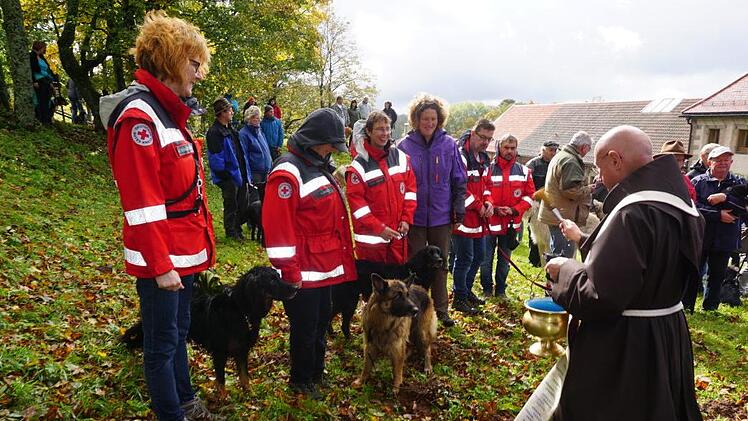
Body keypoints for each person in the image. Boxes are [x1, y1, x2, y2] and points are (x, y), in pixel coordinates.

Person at [99, 11, 222, 420]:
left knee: (178, 334)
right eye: (194, 63)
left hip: (182, 252)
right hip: (163, 259)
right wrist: (160, 265)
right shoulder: (140, 118)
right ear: (171, 60)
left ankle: (185, 401)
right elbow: (143, 203)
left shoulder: (169, 112)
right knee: (161, 342)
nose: (199, 75)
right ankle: (172, 413)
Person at [544, 125, 704, 421]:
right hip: (666, 333)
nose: (599, 179)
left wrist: (564, 270)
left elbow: (599, 296)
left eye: (600, 167)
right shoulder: (682, 205)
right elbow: (646, 262)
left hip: (628, 345)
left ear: (616, 159)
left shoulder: (634, 212)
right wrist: (584, 240)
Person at [262, 108, 356, 399]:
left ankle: (316, 371)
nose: (333, 151)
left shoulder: (317, 164)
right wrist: (289, 272)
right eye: (330, 144)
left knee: (320, 321)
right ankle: (301, 380)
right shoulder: (288, 172)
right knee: (304, 327)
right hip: (302, 271)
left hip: (323, 266)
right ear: (315, 140)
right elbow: (278, 231)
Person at [398, 93, 466, 327]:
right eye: (425, 119)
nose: (429, 123)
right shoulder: (404, 146)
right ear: (416, 120)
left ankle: (441, 309)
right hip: (414, 217)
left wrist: (459, 210)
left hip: (441, 215)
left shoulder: (449, 145)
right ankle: (414, 308)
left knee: (441, 264)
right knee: (414, 266)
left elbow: (459, 179)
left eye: (433, 119)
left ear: (439, 121)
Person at [346, 111, 416, 265]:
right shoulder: (358, 166)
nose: (385, 133)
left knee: (399, 286)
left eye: (387, 128)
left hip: (397, 241)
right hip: (372, 246)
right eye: (379, 129)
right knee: (372, 289)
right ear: (369, 132)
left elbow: (410, 192)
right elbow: (358, 208)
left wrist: (406, 219)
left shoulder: (401, 157)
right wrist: (379, 228)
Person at [690, 146, 746, 311]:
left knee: (717, 276)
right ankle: (687, 306)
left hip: (725, 238)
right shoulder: (698, 182)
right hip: (701, 236)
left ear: (731, 162)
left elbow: (744, 206)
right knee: (694, 274)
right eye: (718, 160)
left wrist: (725, 197)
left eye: (726, 160)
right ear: (709, 162)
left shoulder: (740, 183)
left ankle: (711, 308)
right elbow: (692, 206)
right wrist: (718, 215)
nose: (723, 164)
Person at [480, 134, 535, 299]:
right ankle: (487, 290)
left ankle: (501, 290)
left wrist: (514, 210)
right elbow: (483, 192)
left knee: (505, 261)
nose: (509, 151)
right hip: (489, 222)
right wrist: (494, 208)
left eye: (512, 148)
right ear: (499, 148)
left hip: (511, 224)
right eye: (506, 148)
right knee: (486, 259)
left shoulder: (524, 171)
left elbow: (529, 196)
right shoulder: (487, 169)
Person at [451, 119, 495, 313]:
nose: (485, 142)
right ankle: (459, 297)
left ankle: (466, 290)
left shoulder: (483, 158)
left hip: (479, 218)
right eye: (482, 137)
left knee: (479, 256)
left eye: (489, 139)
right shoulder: (460, 155)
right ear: (473, 133)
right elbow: (459, 188)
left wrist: (488, 202)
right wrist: (478, 205)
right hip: (463, 217)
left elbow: (486, 185)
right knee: (464, 258)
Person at [538, 131, 594, 258]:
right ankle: (557, 278)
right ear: (584, 147)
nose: (587, 152)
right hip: (562, 215)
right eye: (588, 149)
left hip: (556, 212)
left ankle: (553, 278)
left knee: (557, 253)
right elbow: (571, 191)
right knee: (563, 257)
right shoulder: (571, 161)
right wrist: (589, 189)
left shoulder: (561, 155)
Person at [206, 97, 251, 241]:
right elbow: (216, 157)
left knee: (242, 202)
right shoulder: (214, 132)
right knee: (231, 204)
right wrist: (225, 175)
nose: (232, 112)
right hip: (228, 176)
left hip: (240, 173)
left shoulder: (231, 130)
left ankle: (238, 228)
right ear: (222, 113)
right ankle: (231, 231)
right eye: (229, 110)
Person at [525, 140, 559, 266]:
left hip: (550, 204)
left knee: (548, 233)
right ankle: (534, 260)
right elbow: (525, 181)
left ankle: (548, 259)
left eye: (555, 150)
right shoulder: (533, 164)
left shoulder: (556, 164)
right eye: (551, 150)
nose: (553, 153)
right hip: (535, 204)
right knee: (534, 233)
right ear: (543, 150)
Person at [240, 105, 273, 186]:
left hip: (266, 171)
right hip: (255, 173)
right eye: (254, 117)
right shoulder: (243, 134)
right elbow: (244, 156)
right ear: (249, 118)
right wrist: (249, 176)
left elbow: (267, 150)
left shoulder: (260, 132)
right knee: (255, 198)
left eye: (258, 117)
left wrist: (271, 166)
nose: (257, 120)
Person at [30, 41, 58, 124]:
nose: (45, 49)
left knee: (47, 101)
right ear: (40, 47)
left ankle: (46, 120)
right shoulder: (31, 56)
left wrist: (53, 78)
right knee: (41, 101)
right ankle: (41, 120)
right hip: (38, 81)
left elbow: (47, 69)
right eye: (44, 47)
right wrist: (34, 81)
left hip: (46, 80)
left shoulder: (41, 57)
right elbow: (31, 69)